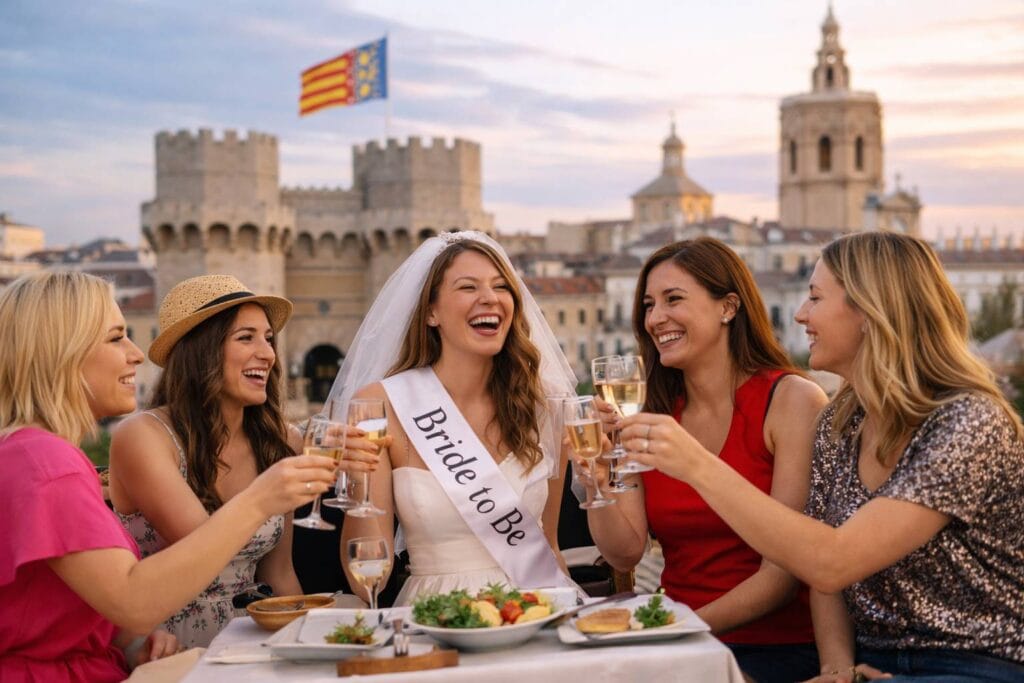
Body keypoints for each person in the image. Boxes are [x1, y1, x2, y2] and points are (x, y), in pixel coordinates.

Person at [621, 232, 1024, 683]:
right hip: (872, 662)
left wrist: (696, 465)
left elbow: (831, 560)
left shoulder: (967, 422)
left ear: (872, 311)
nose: (800, 314)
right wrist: (837, 668)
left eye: (814, 297)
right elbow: (823, 573)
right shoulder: (842, 424)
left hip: (977, 663)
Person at [0, 271, 335, 682]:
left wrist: (132, 642)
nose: (138, 354)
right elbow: (133, 600)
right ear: (60, 352)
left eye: (268, 339)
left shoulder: (36, 455)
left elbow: (69, 606)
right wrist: (260, 499)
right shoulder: (47, 464)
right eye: (115, 337)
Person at [586, 237, 828, 683]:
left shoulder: (791, 400)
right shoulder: (652, 412)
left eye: (673, 299)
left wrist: (675, 631)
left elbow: (783, 576)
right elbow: (624, 552)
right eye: (648, 304)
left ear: (728, 307)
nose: (656, 318)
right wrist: (599, 477)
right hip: (673, 640)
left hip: (772, 650)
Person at [108, 274, 375, 648]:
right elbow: (205, 555)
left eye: (268, 339)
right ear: (201, 350)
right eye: (245, 337)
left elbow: (279, 574)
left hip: (254, 635)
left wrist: (304, 644)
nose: (267, 354)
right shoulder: (142, 436)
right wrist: (270, 489)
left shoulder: (278, 439)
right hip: (170, 645)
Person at [332, 231, 578, 605]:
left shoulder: (542, 403)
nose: (490, 298)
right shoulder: (380, 406)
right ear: (431, 312)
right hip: (435, 616)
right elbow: (368, 579)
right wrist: (357, 483)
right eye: (468, 287)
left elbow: (549, 547)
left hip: (534, 609)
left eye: (501, 286)